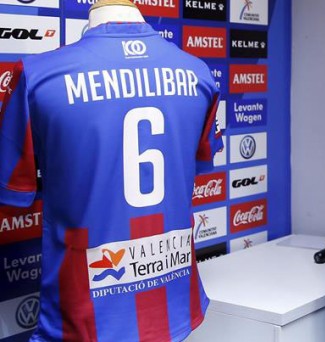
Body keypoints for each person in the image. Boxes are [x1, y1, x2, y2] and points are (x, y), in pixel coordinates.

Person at [0, 0, 222, 340]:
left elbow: (17, 189)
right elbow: (203, 162)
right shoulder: (198, 73)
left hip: (85, 310)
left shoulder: (39, 74)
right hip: (175, 300)